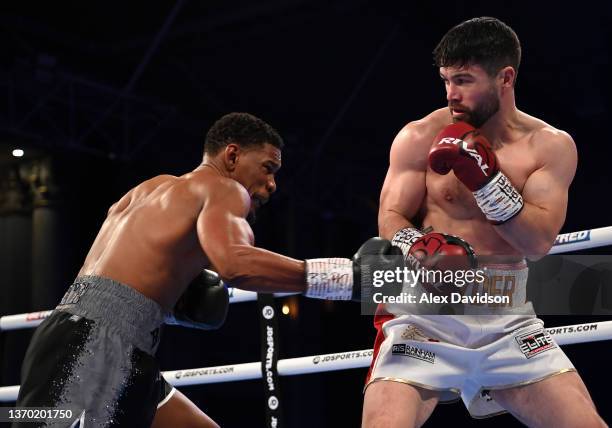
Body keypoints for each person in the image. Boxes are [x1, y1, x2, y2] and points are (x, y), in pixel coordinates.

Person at [14, 112, 397, 428]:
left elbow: (121, 279)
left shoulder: (148, 190)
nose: (271, 184)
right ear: (231, 155)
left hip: (105, 342)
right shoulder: (225, 190)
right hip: (96, 349)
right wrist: (346, 277)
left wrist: (176, 297)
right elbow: (236, 265)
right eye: (267, 168)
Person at [362, 17, 607, 427]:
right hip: (426, 315)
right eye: (445, 80)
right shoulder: (419, 136)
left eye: (463, 80)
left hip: (507, 319)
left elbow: (538, 242)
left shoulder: (550, 145)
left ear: (505, 77)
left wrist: (486, 182)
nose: (451, 94)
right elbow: (391, 215)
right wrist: (416, 246)